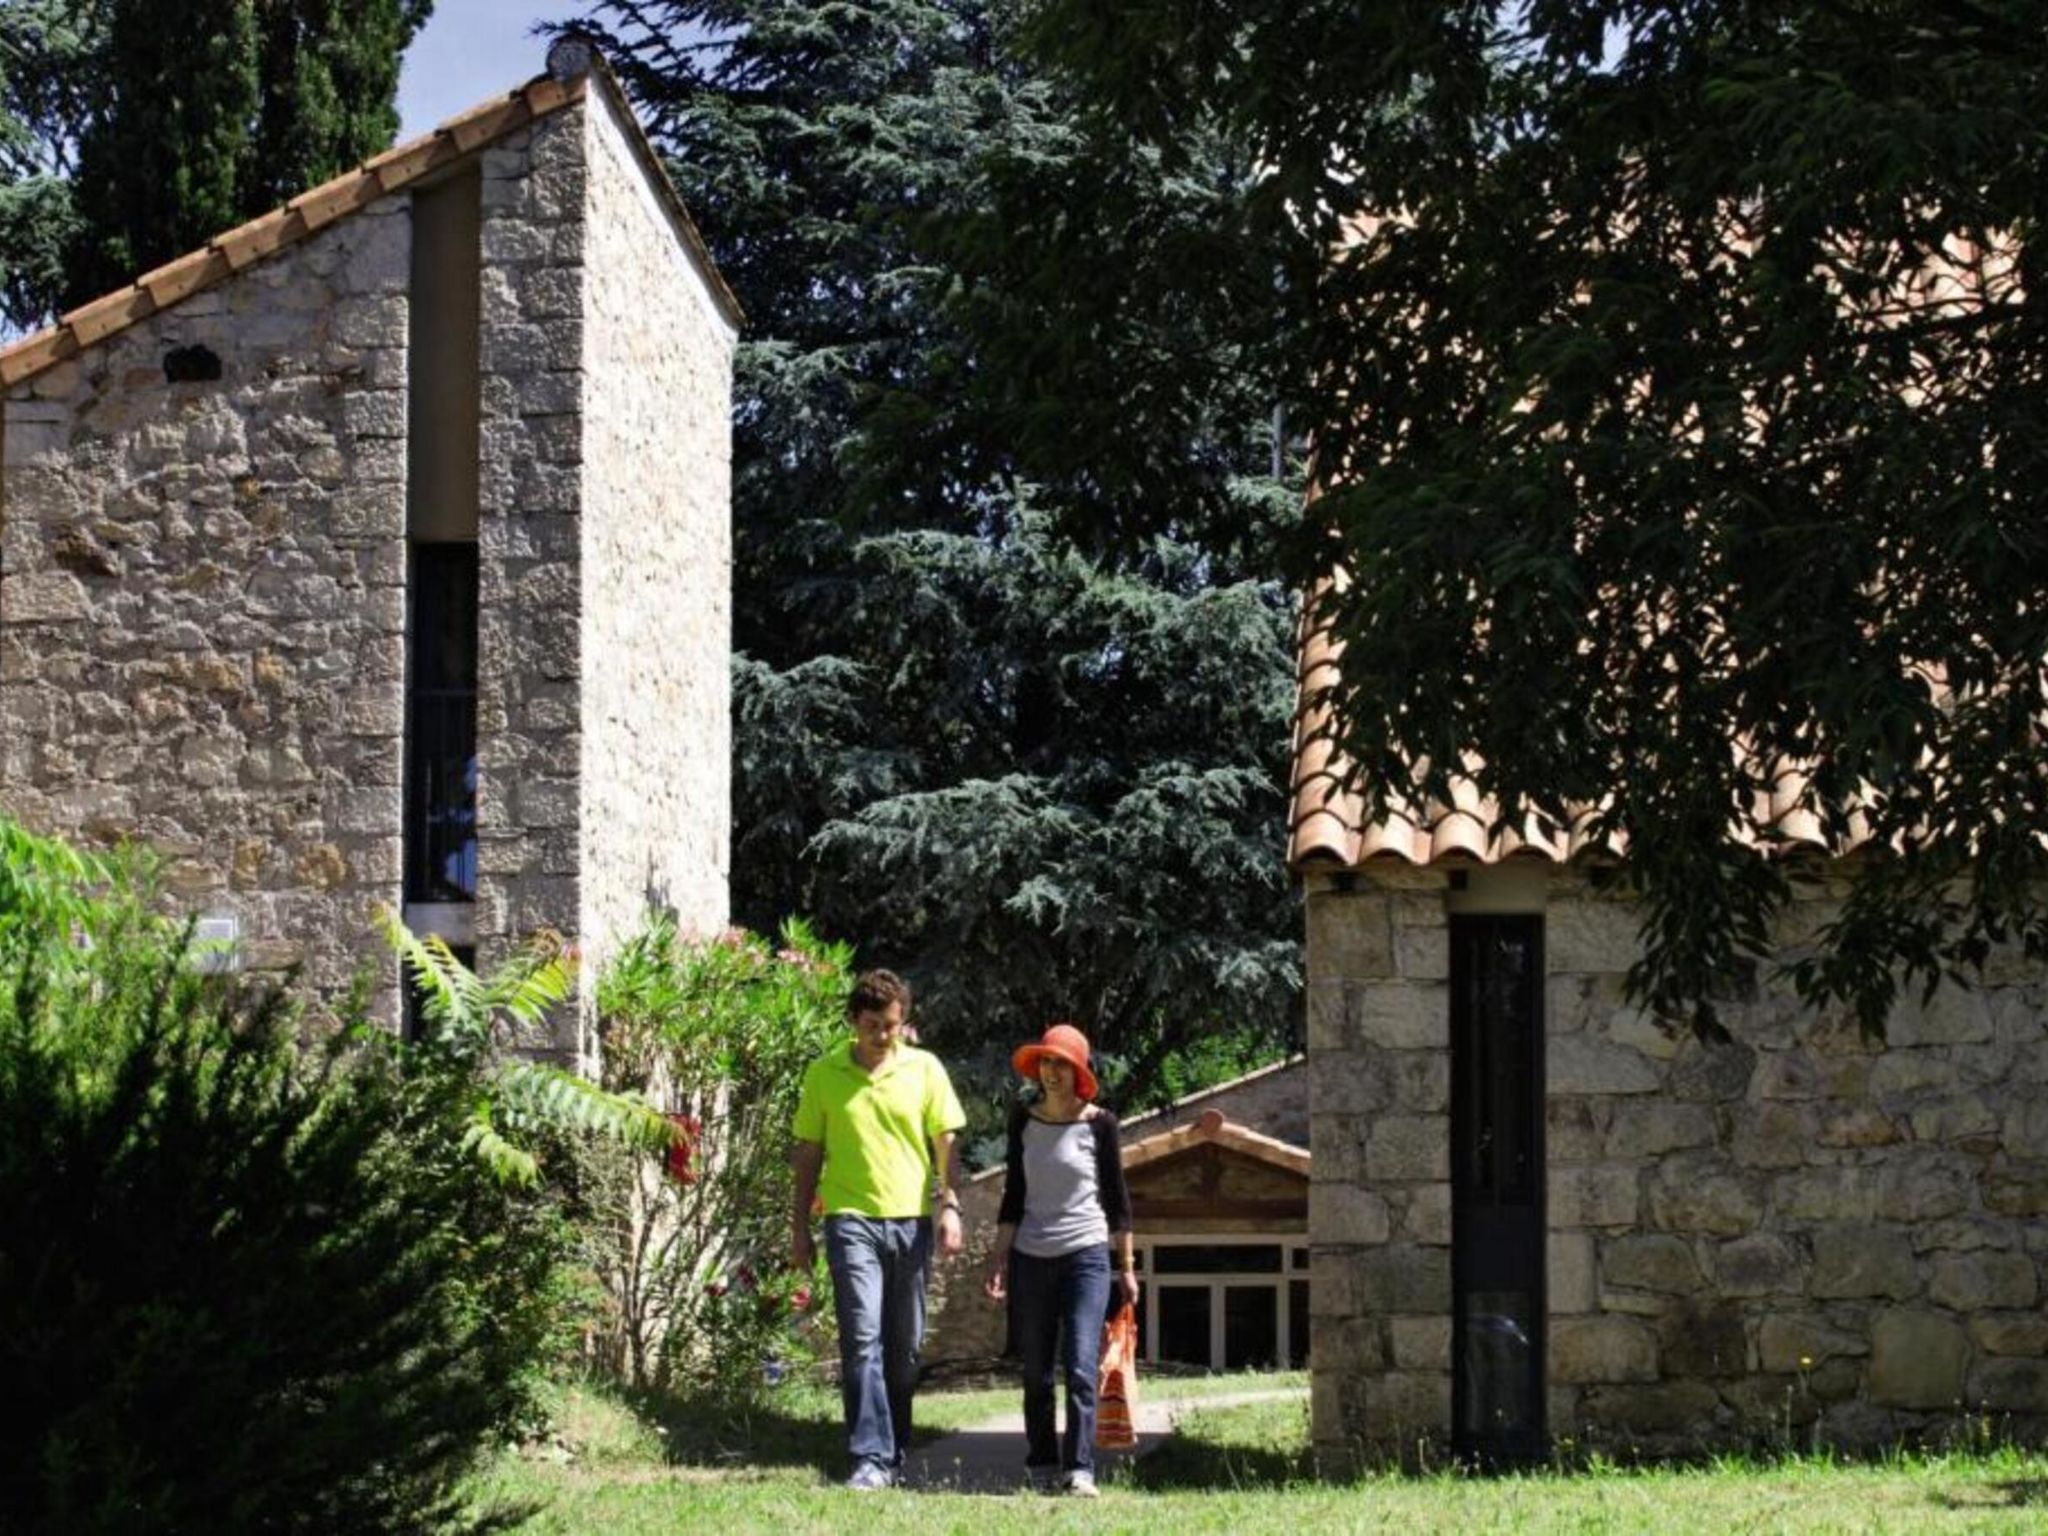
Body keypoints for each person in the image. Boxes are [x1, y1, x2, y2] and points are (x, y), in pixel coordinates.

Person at [791, 969, 966, 1491]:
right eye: (872, 1025)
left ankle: (896, 1446)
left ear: (902, 1022)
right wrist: (798, 1228)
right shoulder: (824, 1074)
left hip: (910, 1222)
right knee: (861, 1338)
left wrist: (950, 1206)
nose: (882, 1035)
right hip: (850, 1220)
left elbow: (946, 1142)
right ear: (853, 1020)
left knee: (903, 1346)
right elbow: (807, 1155)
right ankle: (869, 1455)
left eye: (891, 1025)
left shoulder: (925, 1070)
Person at [982, 1023, 1137, 1498]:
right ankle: (1042, 1462)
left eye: (1062, 1064)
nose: (1052, 1072)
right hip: (1031, 1255)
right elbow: (1014, 1196)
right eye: (1046, 1062)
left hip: (1086, 1256)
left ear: (1078, 1072)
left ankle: (1080, 1468)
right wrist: (998, 1258)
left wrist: (1127, 1269)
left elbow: (1118, 1202)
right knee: (1035, 1371)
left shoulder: (1100, 1124)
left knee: (1081, 1364)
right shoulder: (1023, 1120)